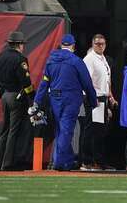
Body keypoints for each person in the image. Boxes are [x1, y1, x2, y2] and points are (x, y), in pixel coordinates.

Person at [32, 34, 97, 171]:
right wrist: (93, 100)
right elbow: (87, 83)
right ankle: (59, 162)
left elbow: (44, 84)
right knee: (66, 130)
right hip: (71, 99)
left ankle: (67, 161)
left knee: (60, 130)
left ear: (61, 45)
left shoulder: (51, 61)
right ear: (73, 46)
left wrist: (36, 102)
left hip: (54, 98)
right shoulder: (76, 61)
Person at [0, 31, 34, 171]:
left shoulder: (0, 58)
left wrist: (2, 96)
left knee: (4, 130)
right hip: (16, 97)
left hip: (4, 96)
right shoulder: (20, 59)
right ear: (19, 45)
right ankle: (8, 164)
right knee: (13, 131)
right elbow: (26, 83)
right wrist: (32, 99)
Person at [80, 34, 118, 171]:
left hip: (102, 97)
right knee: (91, 129)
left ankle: (98, 161)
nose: (100, 46)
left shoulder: (103, 59)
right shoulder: (90, 59)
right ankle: (87, 161)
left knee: (100, 131)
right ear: (92, 44)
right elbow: (86, 80)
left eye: (102, 44)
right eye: (97, 44)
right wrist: (92, 97)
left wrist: (110, 97)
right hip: (94, 97)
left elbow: (106, 80)